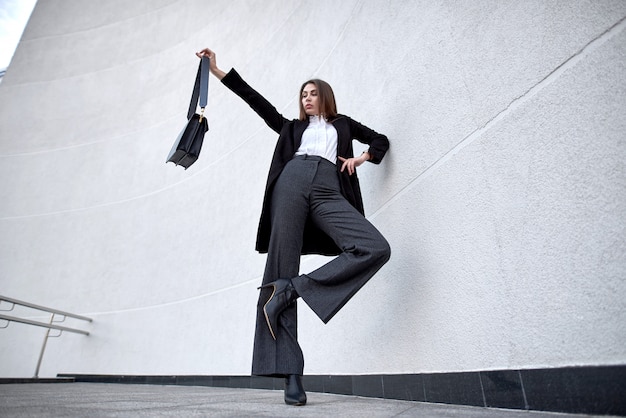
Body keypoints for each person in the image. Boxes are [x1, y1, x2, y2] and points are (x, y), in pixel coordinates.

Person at [196, 48, 391, 406]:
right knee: (279, 266)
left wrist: (362, 158)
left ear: (326, 97)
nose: (308, 98)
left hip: (330, 188)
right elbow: (256, 101)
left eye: (313, 93)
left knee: (375, 248)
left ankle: (293, 289)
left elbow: (380, 141)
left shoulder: (343, 124)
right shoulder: (292, 128)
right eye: (304, 94)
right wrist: (218, 70)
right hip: (292, 181)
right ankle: (291, 375)